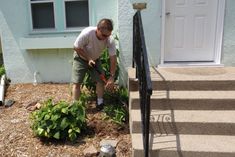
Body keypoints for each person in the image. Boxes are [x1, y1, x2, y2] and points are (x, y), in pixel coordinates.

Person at [71, 18, 117, 111]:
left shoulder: (109, 39)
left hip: (95, 59)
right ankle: (76, 107)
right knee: (77, 82)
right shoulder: (87, 33)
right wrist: (89, 58)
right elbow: (76, 47)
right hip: (81, 57)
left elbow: (113, 58)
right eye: (104, 35)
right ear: (98, 29)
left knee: (100, 80)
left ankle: (100, 103)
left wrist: (112, 77)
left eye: (108, 35)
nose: (105, 38)